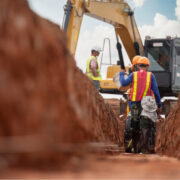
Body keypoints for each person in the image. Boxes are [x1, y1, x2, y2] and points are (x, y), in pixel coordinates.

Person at [120, 56, 162, 153]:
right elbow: (156, 92)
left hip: (135, 104)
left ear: (138, 66)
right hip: (146, 104)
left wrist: (122, 73)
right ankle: (144, 148)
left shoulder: (133, 75)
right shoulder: (151, 75)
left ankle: (135, 147)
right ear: (147, 67)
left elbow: (123, 82)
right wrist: (159, 104)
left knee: (135, 124)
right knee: (145, 125)